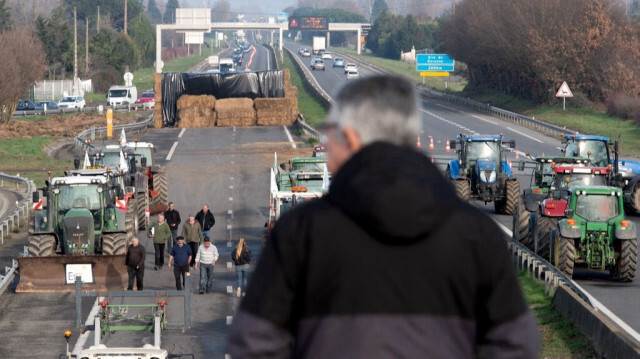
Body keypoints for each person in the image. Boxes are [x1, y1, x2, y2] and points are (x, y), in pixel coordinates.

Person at [228, 75, 540, 358]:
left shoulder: (300, 233)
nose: (324, 144)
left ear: (349, 139)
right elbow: (516, 345)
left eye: (329, 134)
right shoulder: (478, 235)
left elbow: (255, 342)